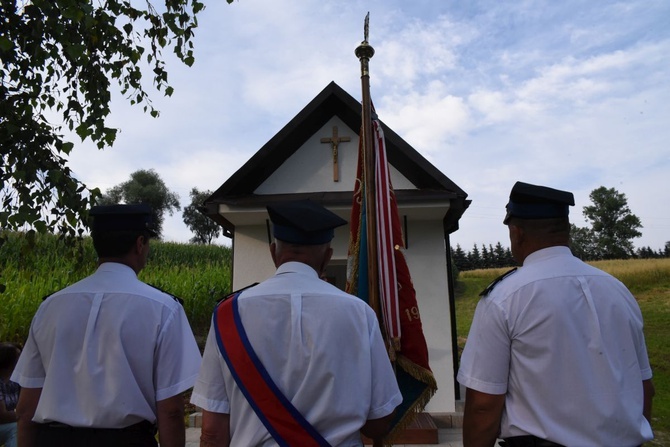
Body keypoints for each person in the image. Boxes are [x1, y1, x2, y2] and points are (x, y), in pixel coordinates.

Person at [457, 181, 655, 447]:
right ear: (567, 231)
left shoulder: (505, 298)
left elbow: (483, 404)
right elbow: (645, 388)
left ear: (517, 233)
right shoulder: (618, 291)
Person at [191, 199, 402, 446]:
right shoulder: (360, 313)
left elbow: (213, 430)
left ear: (273, 252)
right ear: (328, 257)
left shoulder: (228, 314)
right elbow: (378, 422)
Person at [11, 204, 202, 447]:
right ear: (140, 243)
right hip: (126, 441)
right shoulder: (164, 309)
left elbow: (26, 408)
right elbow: (171, 411)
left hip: (53, 439)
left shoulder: (50, 307)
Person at [0, 343, 21, 447]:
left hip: (9, 423)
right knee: (16, 429)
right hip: (3, 424)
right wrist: (24, 415)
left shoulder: (15, 381)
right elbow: (2, 415)